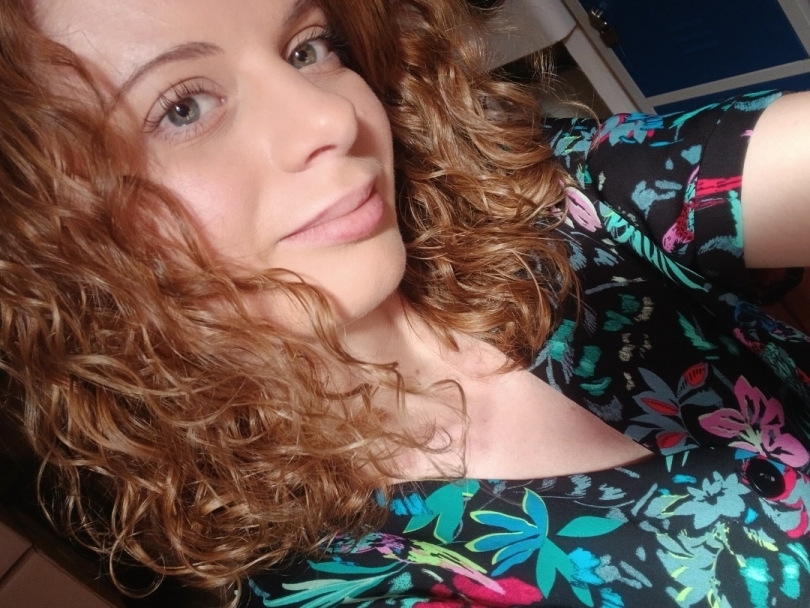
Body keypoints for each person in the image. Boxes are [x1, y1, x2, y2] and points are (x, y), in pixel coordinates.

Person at [1, 0, 809, 606]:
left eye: (306, 47)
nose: (330, 116)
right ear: (53, 241)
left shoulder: (547, 205)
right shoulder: (350, 582)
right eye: (182, 108)